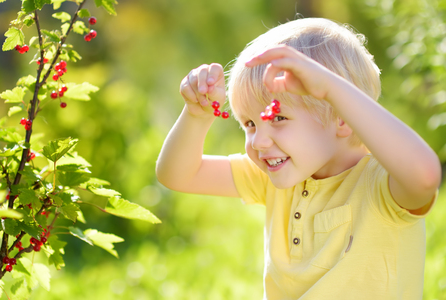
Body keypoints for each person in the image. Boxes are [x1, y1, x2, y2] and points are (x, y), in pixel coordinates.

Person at [156, 17, 441, 299]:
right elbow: (177, 175)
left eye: (278, 117)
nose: (258, 140)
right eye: (250, 124)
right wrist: (196, 115)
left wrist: (331, 88)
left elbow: (425, 176)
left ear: (342, 117)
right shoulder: (273, 175)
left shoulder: (382, 187)